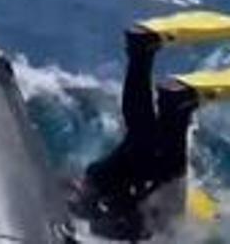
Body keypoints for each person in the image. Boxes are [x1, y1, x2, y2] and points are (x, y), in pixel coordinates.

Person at [71, 27, 200, 240]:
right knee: (143, 142)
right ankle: (142, 55)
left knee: (145, 144)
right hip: (115, 189)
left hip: (116, 191)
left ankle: (173, 104)